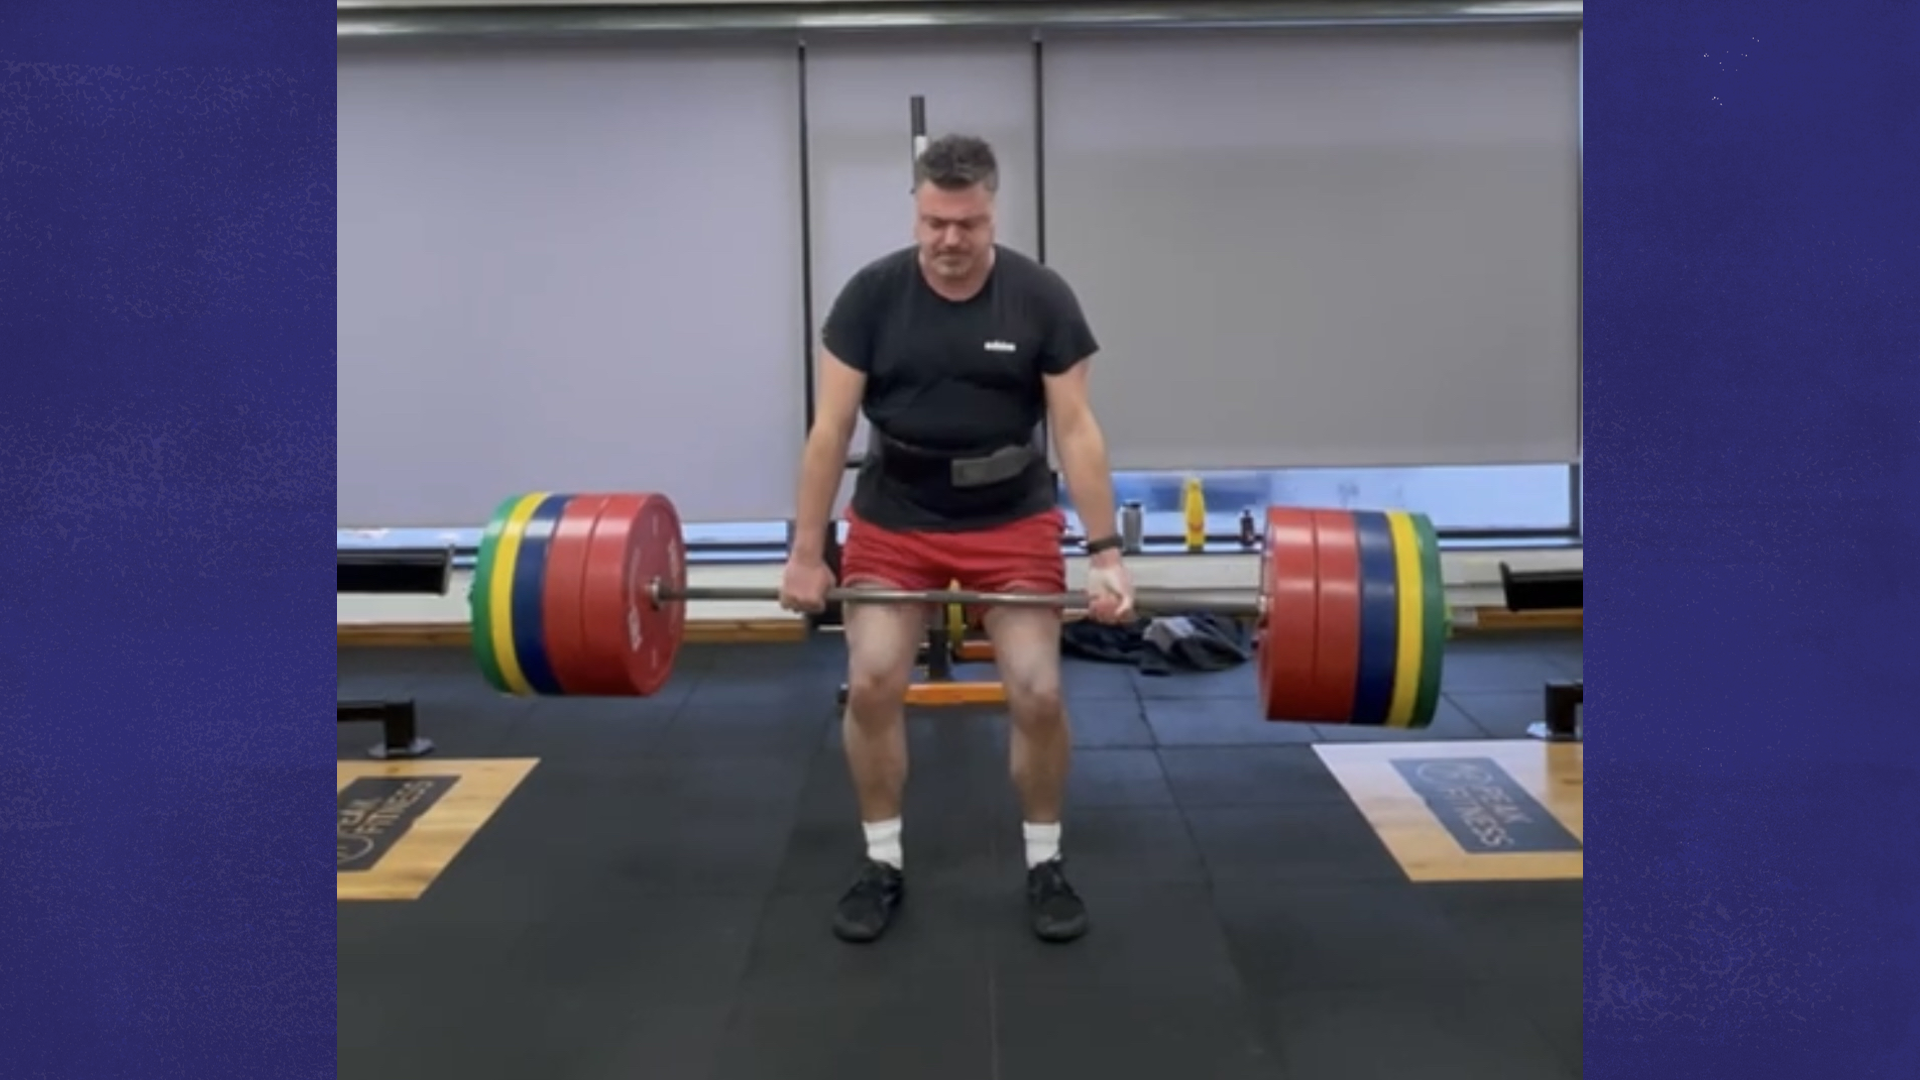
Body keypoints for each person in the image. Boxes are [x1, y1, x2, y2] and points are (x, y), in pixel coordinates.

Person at [778, 133, 1136, 945]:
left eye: (967, 224)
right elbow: (830, 430)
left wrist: (1106, 553)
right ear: (916, 211)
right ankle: (882, 861)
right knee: (873, 680)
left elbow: (1076, 431)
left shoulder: (1040, 297)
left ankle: (1045, 862)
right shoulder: (871, 297)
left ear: (991, 214)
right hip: (896, 516)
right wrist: (805, 553)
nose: (949, 239)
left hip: (1011, 518)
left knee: (1037, 690)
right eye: (935, 222)